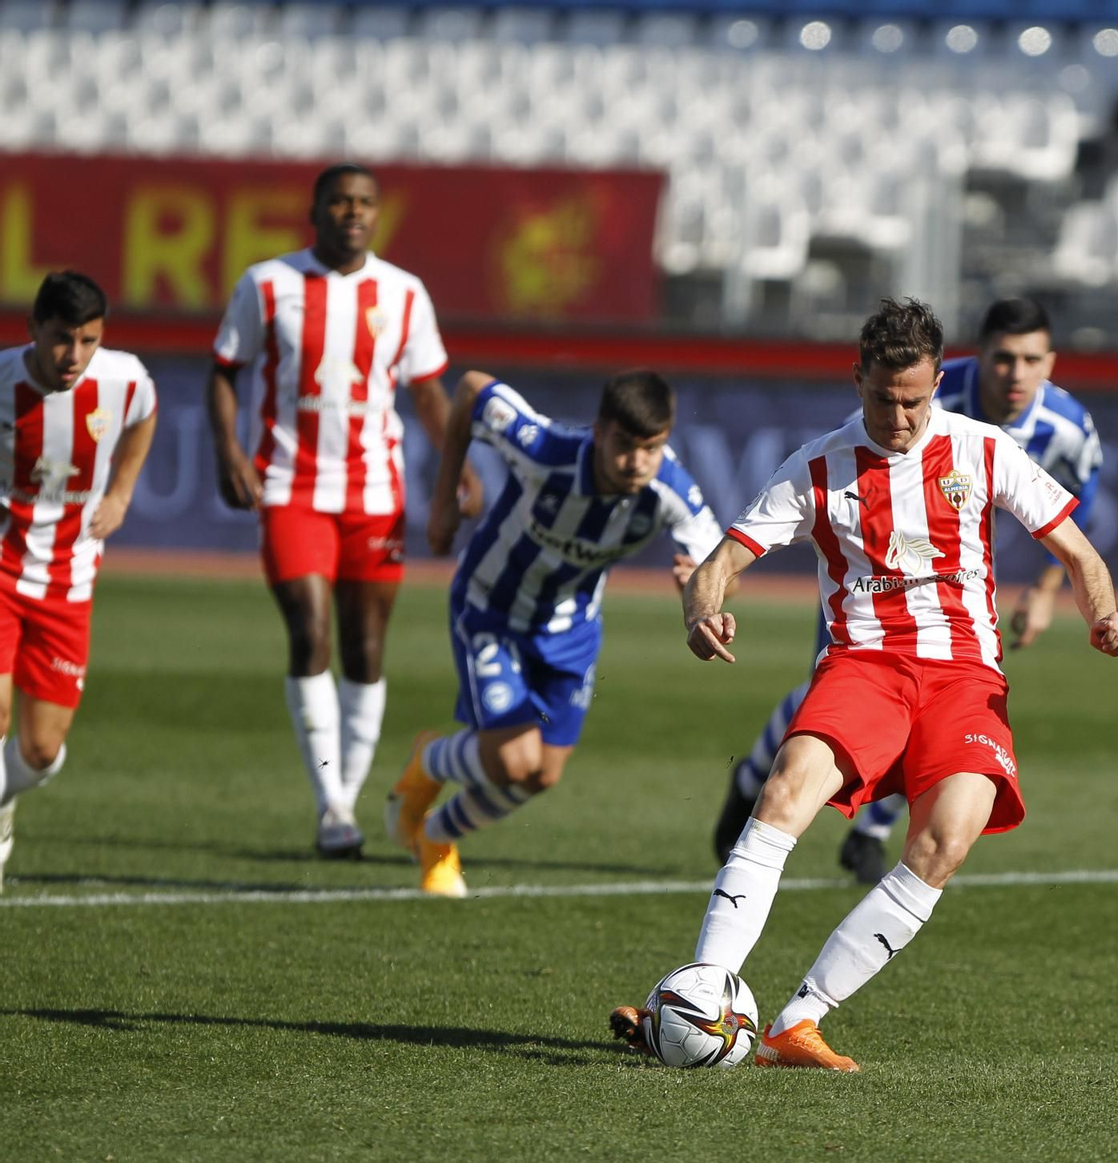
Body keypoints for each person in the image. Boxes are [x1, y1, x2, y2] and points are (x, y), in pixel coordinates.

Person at [613, 298, 1118, 1070]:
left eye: (914, 401)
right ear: (857, 379)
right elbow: (720, 562)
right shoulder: (818, 466)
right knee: (784, 792)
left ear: (937, 383)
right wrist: (701, 613)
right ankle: (701, 993)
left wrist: (1105, 615)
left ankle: (798, 1021)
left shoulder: (983, 448)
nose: (899, 417)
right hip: (865, 665)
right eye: (884, 399)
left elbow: (1080, 554)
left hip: (966, 676)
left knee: (944, 841)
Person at [712, 297, 1104, 884]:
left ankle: (869, 833)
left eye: (1031, 360)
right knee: (837, 696)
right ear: (977, 359)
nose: (1015, 374)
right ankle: (753, 780)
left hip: (953, 567)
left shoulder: (1069, 428)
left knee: (937, 708)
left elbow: (1078, 515)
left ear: (1050, 362)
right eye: (1003, 358)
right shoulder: (921, 391)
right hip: (870, 566)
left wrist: (1047, 588)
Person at [206, 163, 479, 858]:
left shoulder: (404, 292)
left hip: (374, 493)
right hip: (290, 486)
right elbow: (225, 370)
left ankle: (346, 800)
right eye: (339, 201)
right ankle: (331, 803)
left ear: (377, 214)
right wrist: (229, 450)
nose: (353, 212)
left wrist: (459, 468)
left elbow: (427, 392)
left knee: (365, 648)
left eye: (364, 202)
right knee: (310, 631)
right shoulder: (268, 283)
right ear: (315, 210)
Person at [385, 368, 722, 897]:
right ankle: (430, 762)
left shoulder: (670, 490)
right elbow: (471, 389)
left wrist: (700, 591)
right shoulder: (544, 449)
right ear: (598, 431)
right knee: (512, 760)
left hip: (571, 631)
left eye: (652, 448)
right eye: (624, 444)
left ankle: (436, 834)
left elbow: (720, 568)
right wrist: (445, 496)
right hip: (491, 609)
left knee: (542, 774)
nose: (637, 461)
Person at [0, 272, 158, 892]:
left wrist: (121, 493)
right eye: (62, 338)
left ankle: (3, 801)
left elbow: (145, 415)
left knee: (41, 751)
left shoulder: (124, 380)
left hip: (69, 579)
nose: (74, 355)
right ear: (33, 330)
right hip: (2, 567)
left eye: (88, 340)